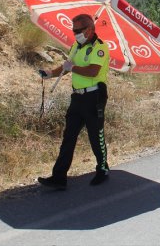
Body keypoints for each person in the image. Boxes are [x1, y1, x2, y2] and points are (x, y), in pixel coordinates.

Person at [37, 14, 110, 189]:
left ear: (90, 29)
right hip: (77, 97)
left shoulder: (100, 48)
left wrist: (73, 67)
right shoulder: (76, 47)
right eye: (73, 30)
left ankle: (102, 169)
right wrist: (50, 74)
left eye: (78, 30)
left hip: (94, 97)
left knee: (95, 135)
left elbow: (92, 71)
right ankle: (59, 177)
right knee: (68, 137)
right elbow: (66, 67)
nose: (75, 33)